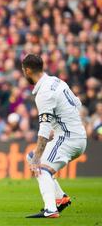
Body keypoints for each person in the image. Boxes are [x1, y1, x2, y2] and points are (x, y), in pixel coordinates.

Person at [22, 54, 87, 218]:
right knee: (30, 157)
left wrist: (38, 158)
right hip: (75, 135)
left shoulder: (44, 93)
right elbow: (77, 104)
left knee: (40, 167)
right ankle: (61, 199)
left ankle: (50, 210)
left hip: (67, 139)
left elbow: (43, 128)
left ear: (27, 70)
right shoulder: (57, 81)